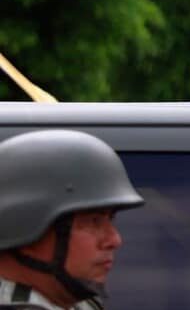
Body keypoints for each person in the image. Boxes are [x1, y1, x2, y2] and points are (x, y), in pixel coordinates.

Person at [0, 130, 144, 310]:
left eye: (110, 219)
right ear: (25, 228)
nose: (114, 240)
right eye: (94, 221)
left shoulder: (71, 301)